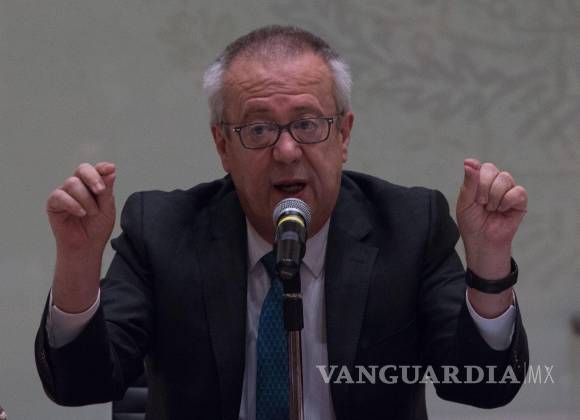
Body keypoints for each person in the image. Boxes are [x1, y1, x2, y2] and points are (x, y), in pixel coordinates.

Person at [35, 25, 529, 420]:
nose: (287, 151)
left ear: (343, 135)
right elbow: (79, 385)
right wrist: (78, 260)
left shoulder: (409, 226)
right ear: (223, 145)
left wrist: (489, 264)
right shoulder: (163, 231)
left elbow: (482, 386)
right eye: (258, 129)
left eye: (308, 124)